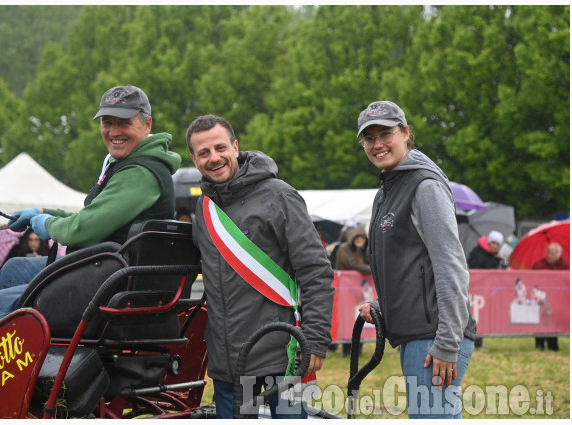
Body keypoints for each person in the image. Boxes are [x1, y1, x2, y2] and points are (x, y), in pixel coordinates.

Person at [0, 85, 181, 363]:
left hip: (107, 289)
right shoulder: (131, 165)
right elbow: (92, 217)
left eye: (124, 123)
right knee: (13, 269)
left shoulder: (139, 173)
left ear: (147, 123)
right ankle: (2, 361)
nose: (113, 131)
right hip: (106, 276)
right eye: (107, 122)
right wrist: (41, 212)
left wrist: (48, 224)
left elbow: (83, 229)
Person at [186, 114, 334, 419]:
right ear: (194, 159)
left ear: (236, 147)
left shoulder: (280, 195)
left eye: (220, 148)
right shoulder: (203, 210)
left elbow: (316, 272)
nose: (214, 158)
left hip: (283, 358)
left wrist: (316, 341)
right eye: (204, 153)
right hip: (227, 367)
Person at [356, 101, 477, 419]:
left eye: (386, 134)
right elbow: (410, 266)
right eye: (369, 138)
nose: (377, 144)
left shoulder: (424, 186)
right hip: (419, 333)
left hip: (435, 335)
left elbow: (450, 265)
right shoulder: (387, 190)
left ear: (406, 133)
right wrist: (383, 306)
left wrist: (448, 342)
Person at [334, 226, 371, 356]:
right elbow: (354, 265)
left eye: (362, 238)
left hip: (359, 291)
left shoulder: (364, 250)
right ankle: (347, 349)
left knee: (360, 317)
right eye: (357, 238)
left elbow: (369, 260)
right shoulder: (344, 249)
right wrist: (372, 269)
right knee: (347, 319)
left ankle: (358, 348)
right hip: (345, 291)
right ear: (352, 239)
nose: (360, 240)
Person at [532, 242, 568, 351]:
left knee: (553, 321)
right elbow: (532, 280)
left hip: (557, 298)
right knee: (540, 321)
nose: (549, 255)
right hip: (541, 298)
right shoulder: (538, 265)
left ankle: (553, 345)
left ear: (558, 254)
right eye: (548, 252)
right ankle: (540, 345)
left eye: (552, 253)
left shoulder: (565, 265)